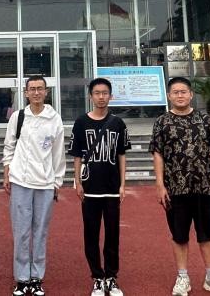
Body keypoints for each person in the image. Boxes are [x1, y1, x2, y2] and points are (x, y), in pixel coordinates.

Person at [149, 77, 210, 296]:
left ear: (191, 95)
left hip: (203, 187)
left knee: (207, 234)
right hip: (175, 189)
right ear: (169, 96)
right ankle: (182, 278)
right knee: (179, 235)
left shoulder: (205, 120)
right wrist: (159, 185)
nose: (180, 95)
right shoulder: (162, 122)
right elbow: (157, 154)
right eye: (175, 92)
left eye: (183, 91)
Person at [2, 75, 66, 296]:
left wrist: (57, 181)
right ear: (26, 93)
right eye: (32, 89)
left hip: (45, 183)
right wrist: (7, 171)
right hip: (20, 180)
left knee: (40, 232)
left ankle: (36, 277)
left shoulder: (54, 119)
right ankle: (21, 278)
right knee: (21, 231)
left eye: (40, 88)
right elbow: (9, 146)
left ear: (46, 92)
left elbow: (58, 153)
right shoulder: (18, 117)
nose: (36, 92)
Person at [68, 77, 130, 296]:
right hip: (90, 188)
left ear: (111, 96)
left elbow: (121, 155)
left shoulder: (118, 124)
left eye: (105, 93)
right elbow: (77, 156)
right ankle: (97, 277)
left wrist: (123, 184)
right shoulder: (81, 122)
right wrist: (77, 182)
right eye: (97, 93)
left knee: (112, 235)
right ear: (90, 96)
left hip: (112, 188)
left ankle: (111, 277)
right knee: (91, 235)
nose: (101, 97)